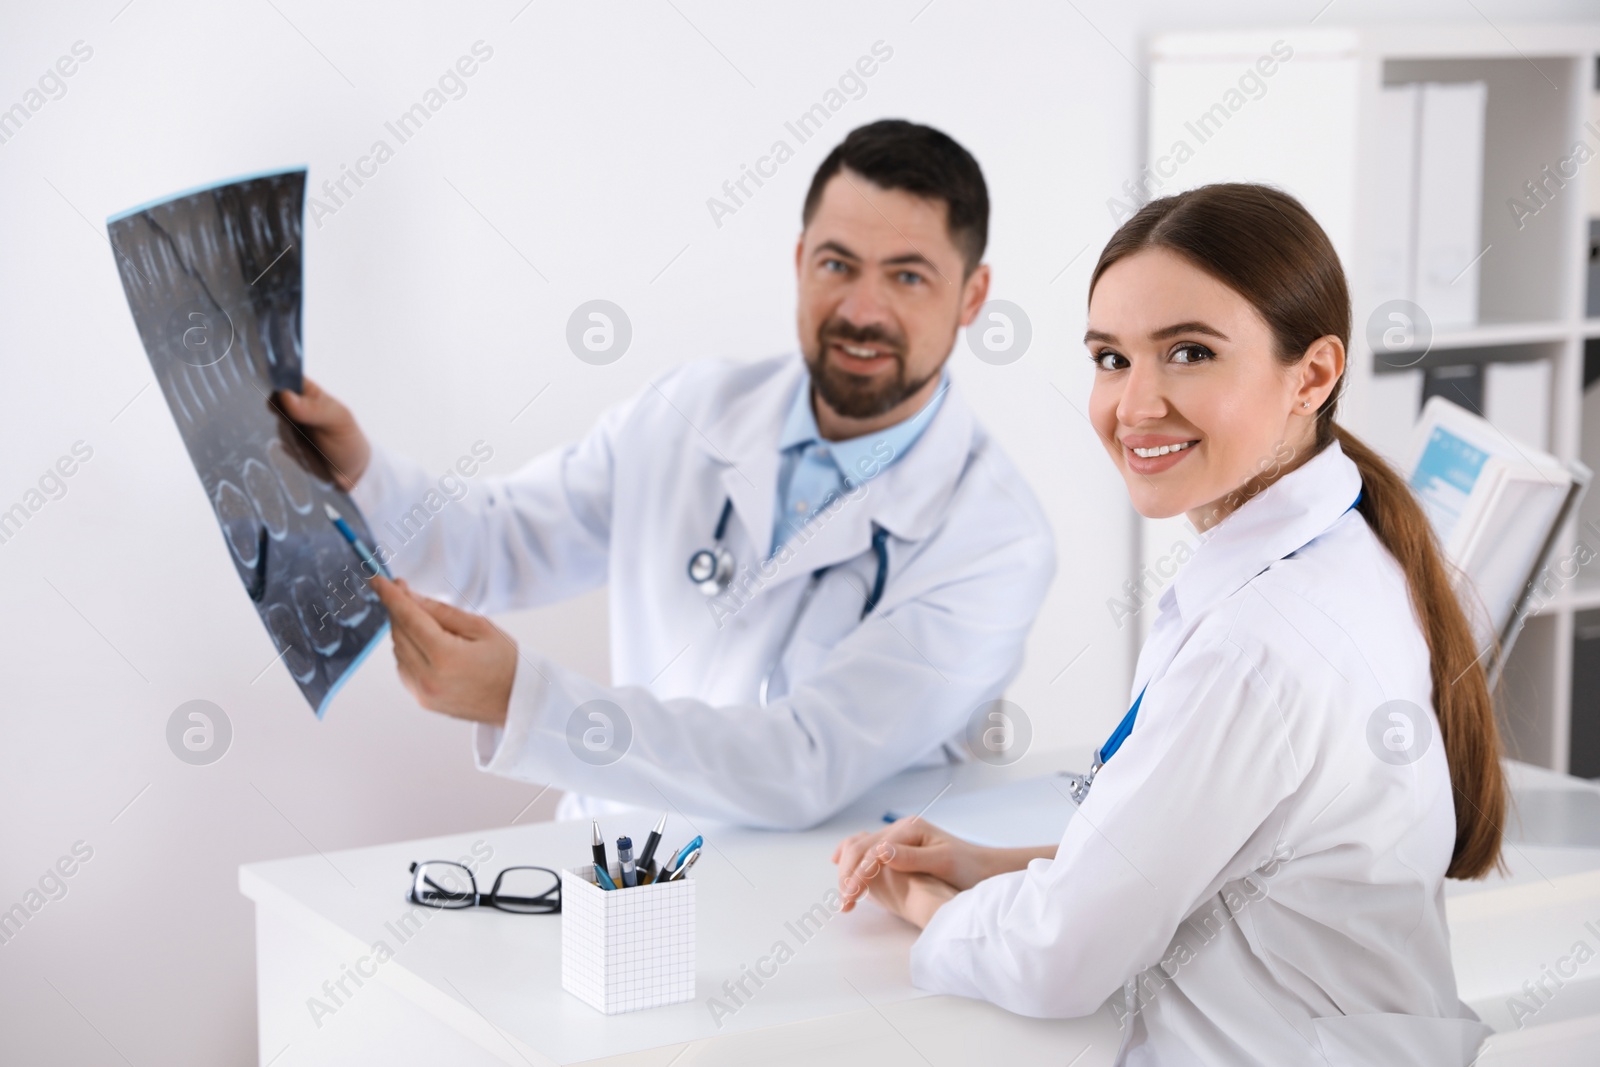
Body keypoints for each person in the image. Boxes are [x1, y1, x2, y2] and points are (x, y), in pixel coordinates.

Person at [832, 183, 1504, 1066]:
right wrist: (987, 865)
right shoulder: (1349, 550)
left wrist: (926, 908)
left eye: (1188, 352)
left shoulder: (1262, 644)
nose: (1136, 404)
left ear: (1313, 373)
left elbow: (1059, 959)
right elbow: (1223, 853)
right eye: (1111, 358)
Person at [276, 119, 1055, 828]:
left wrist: (525, 700)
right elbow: (498, 542)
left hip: (817, 932)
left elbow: (803, 763)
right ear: (798, 261)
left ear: (972, 296)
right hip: (613, 869)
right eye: (837, 263)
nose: (862, 308)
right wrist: (360, 470)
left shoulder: (995, 539)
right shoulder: (690, 410)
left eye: (908, 276)